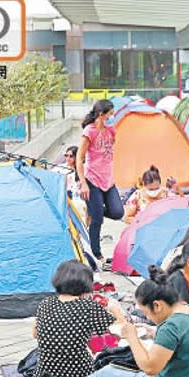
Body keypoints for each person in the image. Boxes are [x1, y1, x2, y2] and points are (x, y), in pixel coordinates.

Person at [40, 266, 189, 377]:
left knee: (110, 373)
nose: (148, 317)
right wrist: (152, 332)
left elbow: (149, 368)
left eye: (147, 314)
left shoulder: (170, 326)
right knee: (122, 373)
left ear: (157, 305)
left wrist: (132, 338)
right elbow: (183, 339)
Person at [32, 260, 123, 377]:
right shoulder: (88, 306)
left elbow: (35, 334)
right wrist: (115, 309)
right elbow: (120, 329)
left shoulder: (45, 303)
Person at [75, 99, 123, 268]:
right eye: (110, 113)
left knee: (118, 212)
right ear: (102, 115)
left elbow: (108, 155)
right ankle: (96, 253)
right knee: (97, 220)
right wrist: (83, 184)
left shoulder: (111, 131)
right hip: (92, 180)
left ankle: (94, 209)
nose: (113, 116)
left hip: (108, 181)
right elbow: (79, 159)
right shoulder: (90, 131)